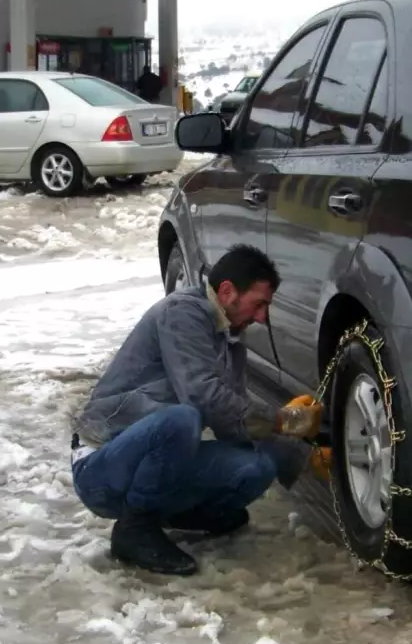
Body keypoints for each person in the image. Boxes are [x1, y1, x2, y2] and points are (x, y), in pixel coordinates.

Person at [70, 244, 331, 576]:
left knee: (258, 466)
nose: (262, 317)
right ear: (226, 292)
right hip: (101, 464)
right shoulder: (181, 313)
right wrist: (286, 420)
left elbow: (234, 423)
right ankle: (134, 530)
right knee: (183, 419)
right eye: (259, 304)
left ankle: (182, 514)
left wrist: (303, 457)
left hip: (147, 462)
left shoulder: (229, 340)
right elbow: (204, 397)